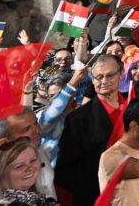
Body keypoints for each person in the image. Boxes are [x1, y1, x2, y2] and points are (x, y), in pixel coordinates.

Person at [55, 55, 125, 205]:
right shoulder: (77, 119)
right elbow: (66, 168)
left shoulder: (136, 107)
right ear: (92, 80)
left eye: (110, 75)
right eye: (99, 77)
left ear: (122, 73)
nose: (104, 81)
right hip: (97, 195)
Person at [0, 139, 57, 206]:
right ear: (0, 174)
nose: (30, 168)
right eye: (19, 166)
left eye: (33, 160)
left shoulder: (41, 200)